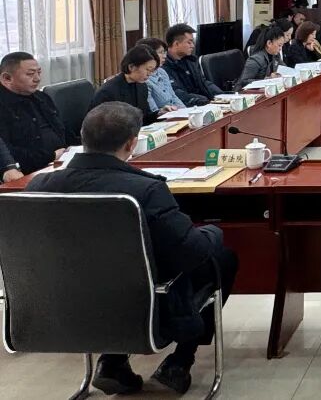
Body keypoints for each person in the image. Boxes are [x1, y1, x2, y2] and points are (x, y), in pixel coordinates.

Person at [27, 102, 238, 395]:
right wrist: (213, 232)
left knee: (108, 270)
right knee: (221, 258)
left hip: (64, 304)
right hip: (141, 300)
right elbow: (192, 251)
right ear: (131, 143)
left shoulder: (39, 186)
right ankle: (179, 363)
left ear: (82, 137)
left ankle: (112, 362)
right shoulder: (145, 190)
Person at [0, 52, 73, 180]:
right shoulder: (3, 106)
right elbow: (8, 153)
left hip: (62, 161)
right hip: (32, 171)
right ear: (7, 78)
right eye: (30, 74)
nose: (37, 79)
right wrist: (51, 156)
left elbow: (62, 128)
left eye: (39, 72)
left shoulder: (41, 97)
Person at [89, 45, 167, 126]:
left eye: (152, 71)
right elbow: (99, 126)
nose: (149, 74)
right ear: (131, 67)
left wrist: (159, 113)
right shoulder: (107, 92)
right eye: (148, 69)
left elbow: (144, 118)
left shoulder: (142, 86)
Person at [163, 23, 223, 106]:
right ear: (176, 44)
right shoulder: (163, 66)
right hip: (188, 107)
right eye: (189, 42)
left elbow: (203, 83)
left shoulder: (190, 61)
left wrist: (222, 95)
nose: (193, 46)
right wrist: (204, 101)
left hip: (204, 103)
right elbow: (177, 93)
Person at [137, 38, 186, 113]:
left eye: (165, 53)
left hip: (174, 113)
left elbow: (173, 97)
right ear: (149, 54)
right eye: (161, 52)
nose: (165, 56)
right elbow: (153, 111)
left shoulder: (162, 72)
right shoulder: (144, 79)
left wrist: (185, 112)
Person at [237, 25, 284, 89]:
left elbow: (284, 69)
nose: (280, 49)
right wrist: (267, 80)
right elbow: (243, 82)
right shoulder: (255, 59)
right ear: (269, 43)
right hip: (247, 92)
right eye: (279, 45)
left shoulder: (276, 56)